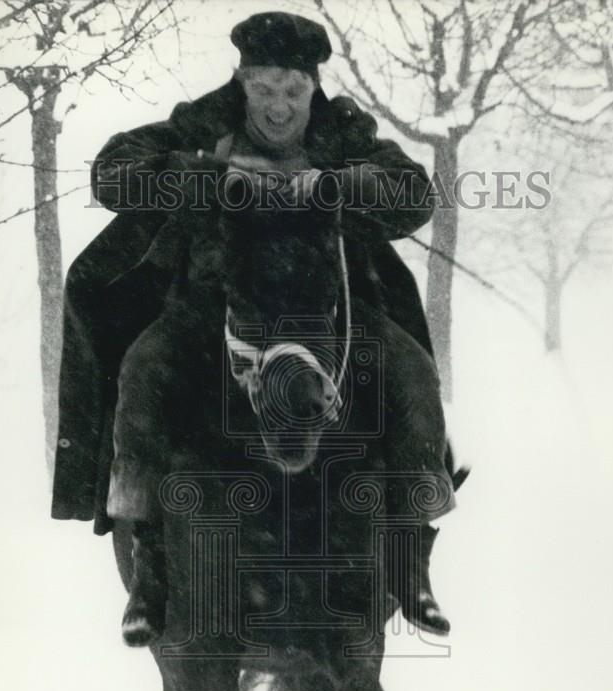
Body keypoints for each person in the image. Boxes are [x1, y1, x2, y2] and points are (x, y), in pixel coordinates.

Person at [51, 11, 465, 645]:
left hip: (329, 313)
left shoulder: (344, 132)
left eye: (294, 92)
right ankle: (150, 566)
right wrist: (208, 179)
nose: (279, 109)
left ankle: (409, 553)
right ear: (242, 80)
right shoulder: (201, 126)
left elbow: (414, 193)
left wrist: (337, 184)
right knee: (141, 368)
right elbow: (112, 171)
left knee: (409, 368)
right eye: (265, 90)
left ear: (312, 88)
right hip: (211, 309)